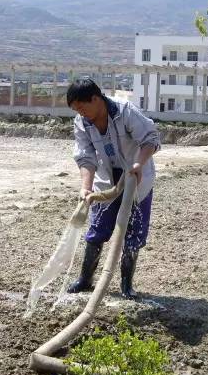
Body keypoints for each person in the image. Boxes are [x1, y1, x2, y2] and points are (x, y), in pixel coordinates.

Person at [65, 79, 160, 299]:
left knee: (133, 233)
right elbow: (85, 156)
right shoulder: (83, 122)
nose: (80, 113)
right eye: (76, 110)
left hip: (136, 178)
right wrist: (86, 188)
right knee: (98, 229)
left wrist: (138, 164)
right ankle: (85, 280)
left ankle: (127, 285)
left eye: (81, 107)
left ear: (96, 99)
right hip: (107, 181)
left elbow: (150, 139)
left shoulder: (125, 111)